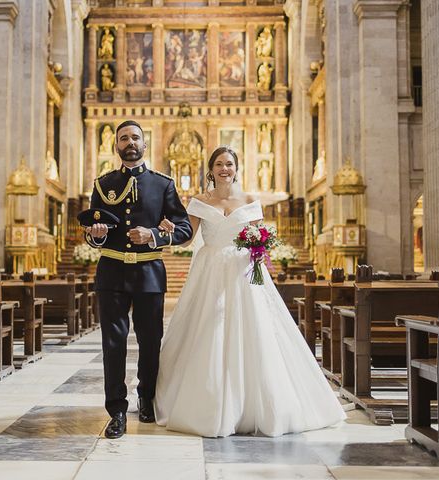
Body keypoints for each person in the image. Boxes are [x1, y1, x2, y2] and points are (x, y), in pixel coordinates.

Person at [154, 146, 346, 438]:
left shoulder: (250, 200)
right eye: (219, 164)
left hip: (243, 272)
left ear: (237, 168)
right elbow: (186, 239)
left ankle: (256, 404)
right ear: (210, 169)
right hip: (211, 271)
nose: (224, 168)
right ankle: (209, 402)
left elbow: (258, 236)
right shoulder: (198, 201)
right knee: (208, 329)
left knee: (254, 330)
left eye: (229, 163)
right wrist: (168, 231)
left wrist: (260, 244)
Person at [84, 120, 193, 439]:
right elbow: (91, 232)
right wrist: (98, 235)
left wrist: (156, 235)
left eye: (135, 137)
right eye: (123, 138)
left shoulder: (163, 184)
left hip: (148, 273)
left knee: (149, 342)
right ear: (116, 146)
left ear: (145, 144)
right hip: (113, 273)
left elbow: (184, 228)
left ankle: (146, 398)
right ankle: (116, 410)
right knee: (113, 344)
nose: (129, 142)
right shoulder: (103, 184)